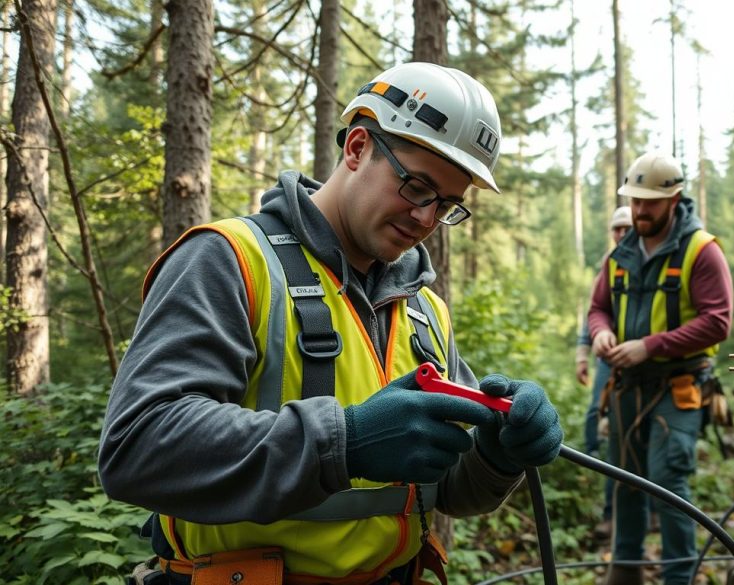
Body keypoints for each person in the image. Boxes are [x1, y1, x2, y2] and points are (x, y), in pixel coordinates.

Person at [99, 62, 564, 585]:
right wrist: (346, 443)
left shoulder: (424, 312)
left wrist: (497, 457)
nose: (427, 219)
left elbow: (448, 491)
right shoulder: (229, 262)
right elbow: (137, 446)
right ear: (358, 147)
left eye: (449, 206)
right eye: (416, 187)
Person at [588, 152, 733, 585]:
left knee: (670, 488)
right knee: (625, 484)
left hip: (679, 386)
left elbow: (718, 321)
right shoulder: (621, 253)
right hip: (627, 388)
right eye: (635, 201)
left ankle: (678, 580)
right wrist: (599, 333)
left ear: (675, 198)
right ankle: (625, 575)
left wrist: (649, 346)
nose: (639, 210)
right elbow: (598, 308)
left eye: (649, 202)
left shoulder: (701, 251)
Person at [575, 205, 632, 539]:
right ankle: (593, 460)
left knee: (635, 440)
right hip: (607, 359)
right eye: (617, 229)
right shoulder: (607, 267)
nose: (622, 234)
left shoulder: (648, 262)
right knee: (597, 416)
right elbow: (594, 312)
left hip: (642, 364)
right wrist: (584, 353)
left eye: (627, 228)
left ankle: (645, 511)